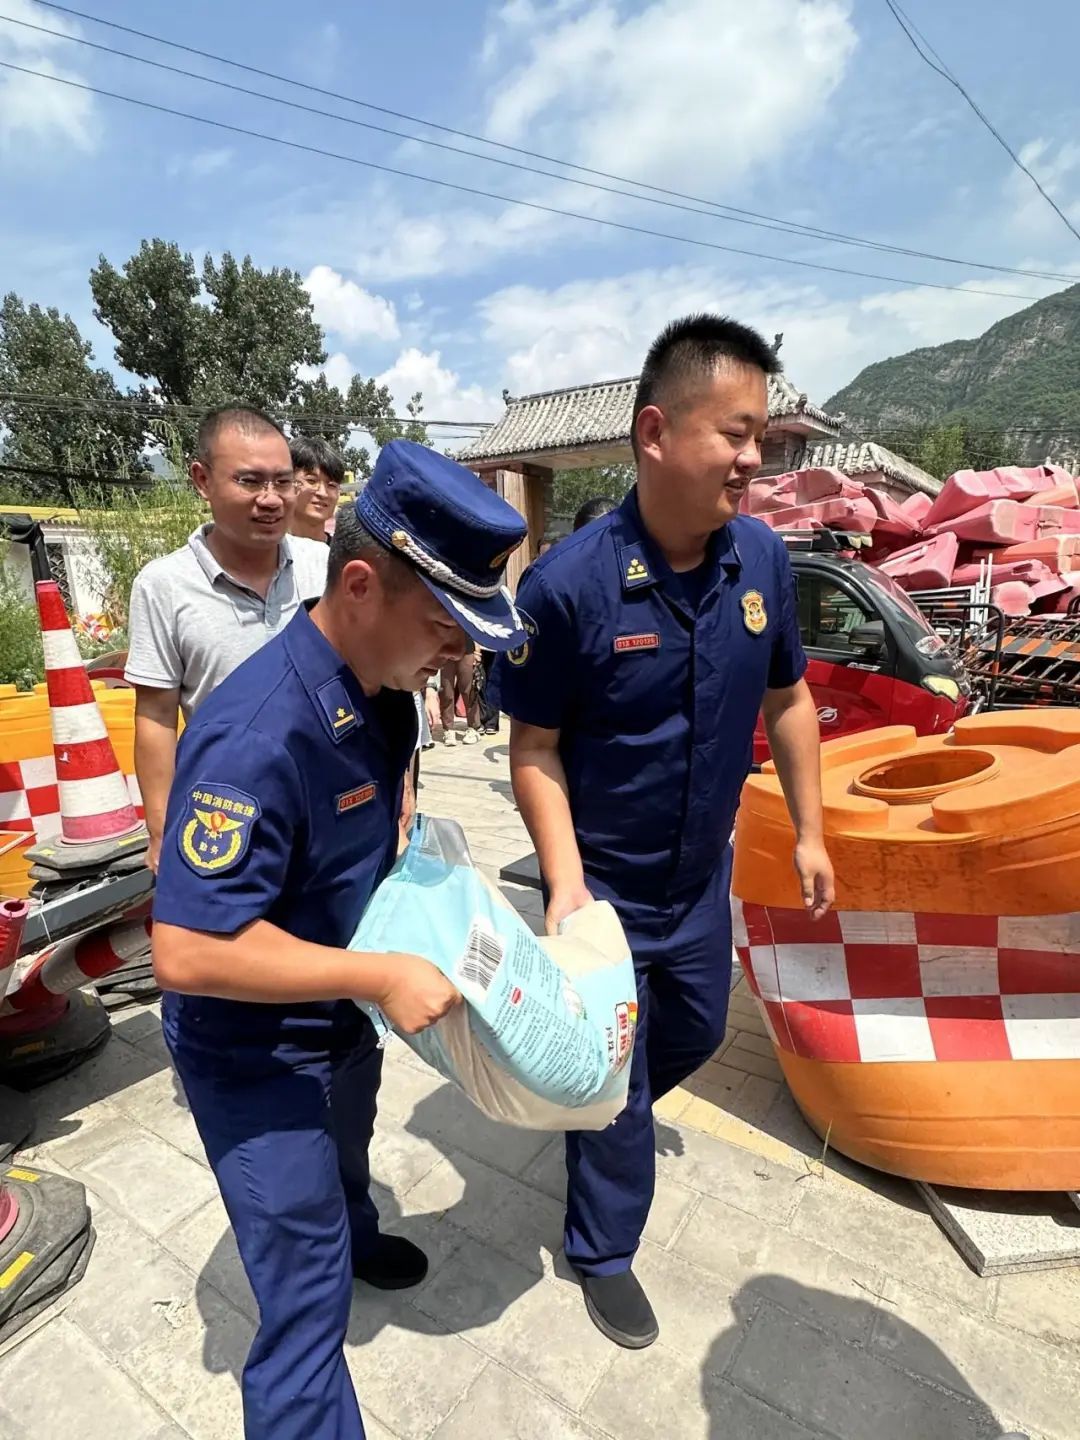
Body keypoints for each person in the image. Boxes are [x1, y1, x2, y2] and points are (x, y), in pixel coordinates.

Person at [151, 439, 528, 1439]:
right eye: (445, 626)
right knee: (304, 1304)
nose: (459, 656)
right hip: (253, 1049)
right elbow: (187, 949)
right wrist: (382, 973)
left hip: (337, 1011)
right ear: (359, 585)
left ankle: (355, 1235)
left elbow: (377, 823)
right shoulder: (255, 736)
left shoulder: (385, 694)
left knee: (347, 1156)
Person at [492, 314, 835, 1350]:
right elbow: (531, 749)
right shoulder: (567, 587)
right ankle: (602, 1245)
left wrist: (811, 832)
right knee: (622, 1079)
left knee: (692, 1033)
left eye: (760, 436)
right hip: (603, 892)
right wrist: (564, 885)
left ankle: (603, 1106)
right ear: (655, 432)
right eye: (735, 433)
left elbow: (790, 700)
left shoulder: (761, 561)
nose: (754, 458)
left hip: (698, 884)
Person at [125, 406, 328, 871]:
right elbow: (156, 716)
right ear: (202, 480)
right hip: (225, 818)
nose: (271, 499)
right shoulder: (164, 585)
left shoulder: (322, 566)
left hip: (326, 804)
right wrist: (161, 830)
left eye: (283, 482)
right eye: (250, 481)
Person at [290, 434, 345, 543]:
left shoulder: (345, 552)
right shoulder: (267, 549)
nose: (323, 493)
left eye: (332, 485)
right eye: (311, 481)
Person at [438, 642, 480, 746]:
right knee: (446, 691)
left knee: (468, 690)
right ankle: (448, 729)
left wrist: (477, 651)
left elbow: (477, 631)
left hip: (467, 649)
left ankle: (473, 728)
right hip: (445, 650)